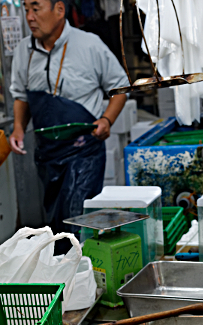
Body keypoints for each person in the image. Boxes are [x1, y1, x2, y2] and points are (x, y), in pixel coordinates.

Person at [9, 0, 128, 252]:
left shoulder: (90, 44)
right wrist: (19, 127)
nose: (29, 17)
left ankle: (85, 276)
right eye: (26, 10)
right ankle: (65, 278)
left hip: (84, 150)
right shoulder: (23, 51)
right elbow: (21, 95)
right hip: (47, 153)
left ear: (59, 10)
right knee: (55, 222)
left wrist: (106, 120)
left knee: (76, 220)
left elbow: (120, 88)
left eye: (36, 8)